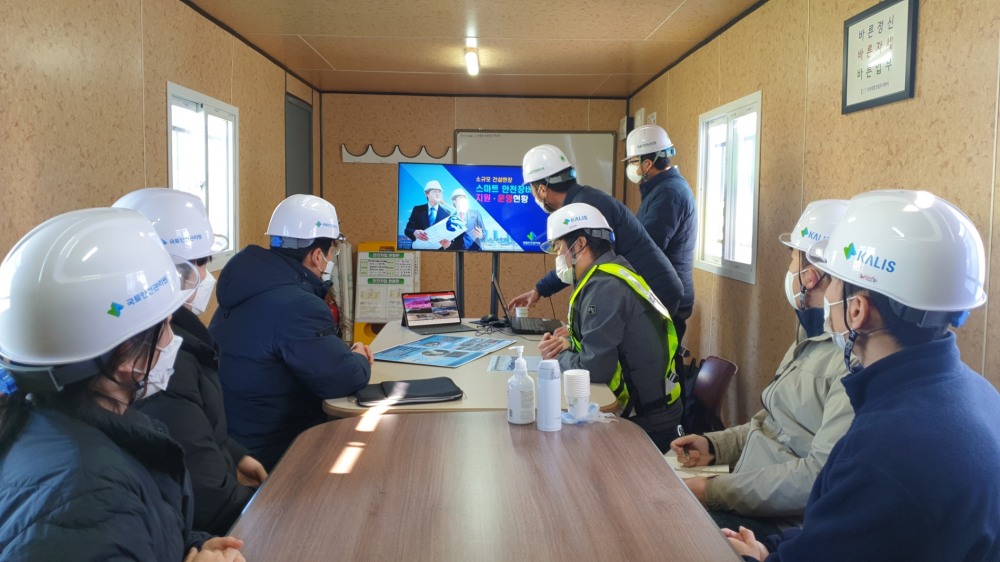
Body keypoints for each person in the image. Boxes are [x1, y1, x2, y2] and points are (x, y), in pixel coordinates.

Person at [726, 190, 1000, 561]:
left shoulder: (885, 451)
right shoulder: (981, 394)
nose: (827, 294)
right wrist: (770, 551)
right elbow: (848, 536)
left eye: (835, 282)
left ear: (857, 311)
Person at [0, 208, 243, 561]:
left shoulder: (47, 422)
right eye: (166, 327)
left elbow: (144, 530)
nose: (173, 340)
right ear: (127, 358)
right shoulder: (87, 498)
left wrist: (193, 546)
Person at [669, 200, 854, 538]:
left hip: (773, 524)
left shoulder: (851, 363)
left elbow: (816, 477)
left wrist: (714, 491)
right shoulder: (808, 335)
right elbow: (769, 423)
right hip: (743, 490)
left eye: (792, 259)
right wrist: (715, 447)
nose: (790, 270)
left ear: (810, 276)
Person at [113, 188, 268, 535]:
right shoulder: (163, 355)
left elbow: (194, 429)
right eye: (200, 262)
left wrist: (234, 455)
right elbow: (208, 496)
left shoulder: (177, 339)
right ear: (169, 271)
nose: (206, 275)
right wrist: (266, 511)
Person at [209, 194, 372, 471]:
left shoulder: (250, 284)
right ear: (317, 256)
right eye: (331, 253)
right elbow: (342, 378)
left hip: (232, 439)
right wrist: (358, 357)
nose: (330, 259)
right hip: (271, 449)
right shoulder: (298, 305)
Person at [537, 203, 681, 452]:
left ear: (579, 244)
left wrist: (557, 356)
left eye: (558, 248)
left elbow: (593, 370)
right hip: (650, 410)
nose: (557, 258)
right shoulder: (613, 270)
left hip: (647, 424)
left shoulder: (604, 286)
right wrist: (571, 342)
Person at [508, 144, 683, 317]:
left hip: (653, 293)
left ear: (542, 190)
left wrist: (576, 329)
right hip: (646, 289)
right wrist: (539, 290)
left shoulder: (584, 211)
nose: (533, 195)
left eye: (531, 188)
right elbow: (574, 261)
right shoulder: (581, 202)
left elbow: (586, 266)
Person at [624, 125, 697, 344]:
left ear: (647, 164)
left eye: (633, 161)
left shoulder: (669, 193)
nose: (630, 167)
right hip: (664, 293)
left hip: (667, 297)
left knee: (660, 362)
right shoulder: (661, 189)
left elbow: (647, 248)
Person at [404, 180, 452, 249]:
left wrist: (448, 243)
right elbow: (407, 230)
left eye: (439, 191)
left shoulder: (447, 213)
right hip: (419, 249)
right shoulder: (417, 210)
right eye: (435, 191)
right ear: (427, 193)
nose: (438, 194)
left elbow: (448, 234)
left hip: (438, 252)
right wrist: (414, 232)